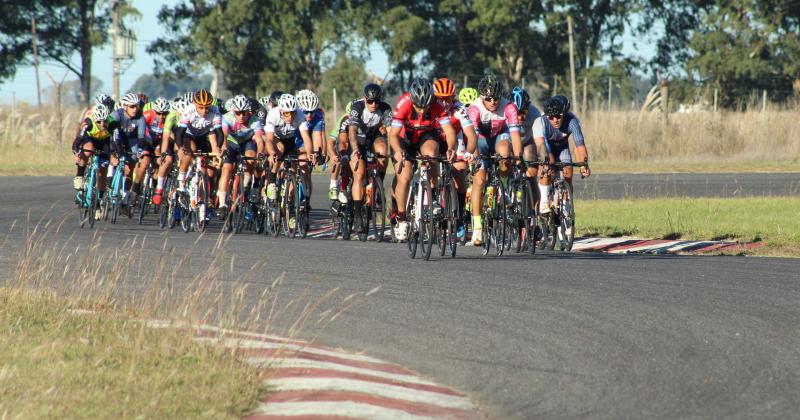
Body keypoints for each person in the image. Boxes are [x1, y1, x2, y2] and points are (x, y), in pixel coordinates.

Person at [388, 78, 456, 240]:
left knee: (432, 154)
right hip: (405, 138)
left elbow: (450, 131)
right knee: (405, 176)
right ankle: (402, 217)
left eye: (425, 107)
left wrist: (452, 147)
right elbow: (394, 135)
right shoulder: (404, 103)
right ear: (412, 100)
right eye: (418, 106)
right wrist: (398, 150)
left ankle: (432, 197)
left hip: (426, 135)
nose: (421, 111)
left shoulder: (437, 105)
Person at [466, 75, 523, 246]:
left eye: (496, 98)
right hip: (480, 140)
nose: (493, 102)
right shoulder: (474, 109)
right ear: (482, 97)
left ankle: (504, 189)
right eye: (488, 98)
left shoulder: (509, 107)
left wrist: (519, 159)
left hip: (500, 137)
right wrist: (475, 159)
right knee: (479, 180)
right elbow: (472, 139)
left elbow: (515, 136)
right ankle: (477, 227)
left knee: (506, 153)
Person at [433, 78, 478, 241]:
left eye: (448, 98)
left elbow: (471, 135)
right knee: (431, 165)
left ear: (454, 97)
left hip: (456, 139)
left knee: (459, 171)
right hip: (435, 138)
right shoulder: (430, 106)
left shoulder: (459, 109)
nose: (444, 102)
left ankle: (459, 217)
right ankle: (429, 202)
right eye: (441, 98)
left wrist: (470, 152)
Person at [533, 94, 591, 214]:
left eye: (559, 116)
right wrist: (545, 163)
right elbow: (540, 145)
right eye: (551, 117)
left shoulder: (572, 121)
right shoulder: (540, 122)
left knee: (568, 172)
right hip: (546, 147)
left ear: (564, 114)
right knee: (548, 169)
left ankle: (566, 206)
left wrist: (583, 165)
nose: (555, 120)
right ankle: (544, 200)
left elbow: (579, 146)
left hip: (562, 147)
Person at [347, 83, 393, 233]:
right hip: (358, 139)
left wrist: (394, 151)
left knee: (383, 151)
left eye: (376, 101)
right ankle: (358, 215)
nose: (373, 104)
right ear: (365, 99)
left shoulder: (385, 108)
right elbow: (352, 131)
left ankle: (378, 185)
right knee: (359, 174)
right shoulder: (357, 107)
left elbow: (391, 132)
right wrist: (354, 150)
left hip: (374, 138)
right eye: (370, 101)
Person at [216, 95, 265, 220]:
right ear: (233, 112)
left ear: (248, 111)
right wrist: (224, 147)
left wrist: (260, 154)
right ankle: (222, 204)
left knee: (251, 156)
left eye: (244, 113)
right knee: (226, 168)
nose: (241, 116)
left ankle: (245, 186)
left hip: (246, 143)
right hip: (231, 142)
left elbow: (259, 140)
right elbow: (224, 135)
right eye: (238, 113)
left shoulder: (254, 121)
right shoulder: (227, 118)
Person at [174, 89, 223, 196]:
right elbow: (179, 133)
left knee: (204, 170)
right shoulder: (189, 110)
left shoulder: (215, 111)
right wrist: (180, 148)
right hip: (188, 134)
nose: (204, 110)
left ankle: (202, 200)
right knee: (189, 151)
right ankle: (181, 182)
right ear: (195, 104)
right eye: (201, 107)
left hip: (203, 135)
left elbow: (219, 133)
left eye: (207, 107)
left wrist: (218, 150)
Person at [108, 92, 149, 205]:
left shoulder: (141, 118)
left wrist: (140, 150)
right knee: (115, 159)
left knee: (129, 169)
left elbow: (141, 138)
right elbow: (108, 129)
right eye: (132, 106)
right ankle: (110, 182)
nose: (135, 109)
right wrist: (113, 151)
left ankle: (125, 194)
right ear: (125, 106)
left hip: (132, 141)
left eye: (137, 106)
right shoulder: (117, 114)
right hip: (117, 138)